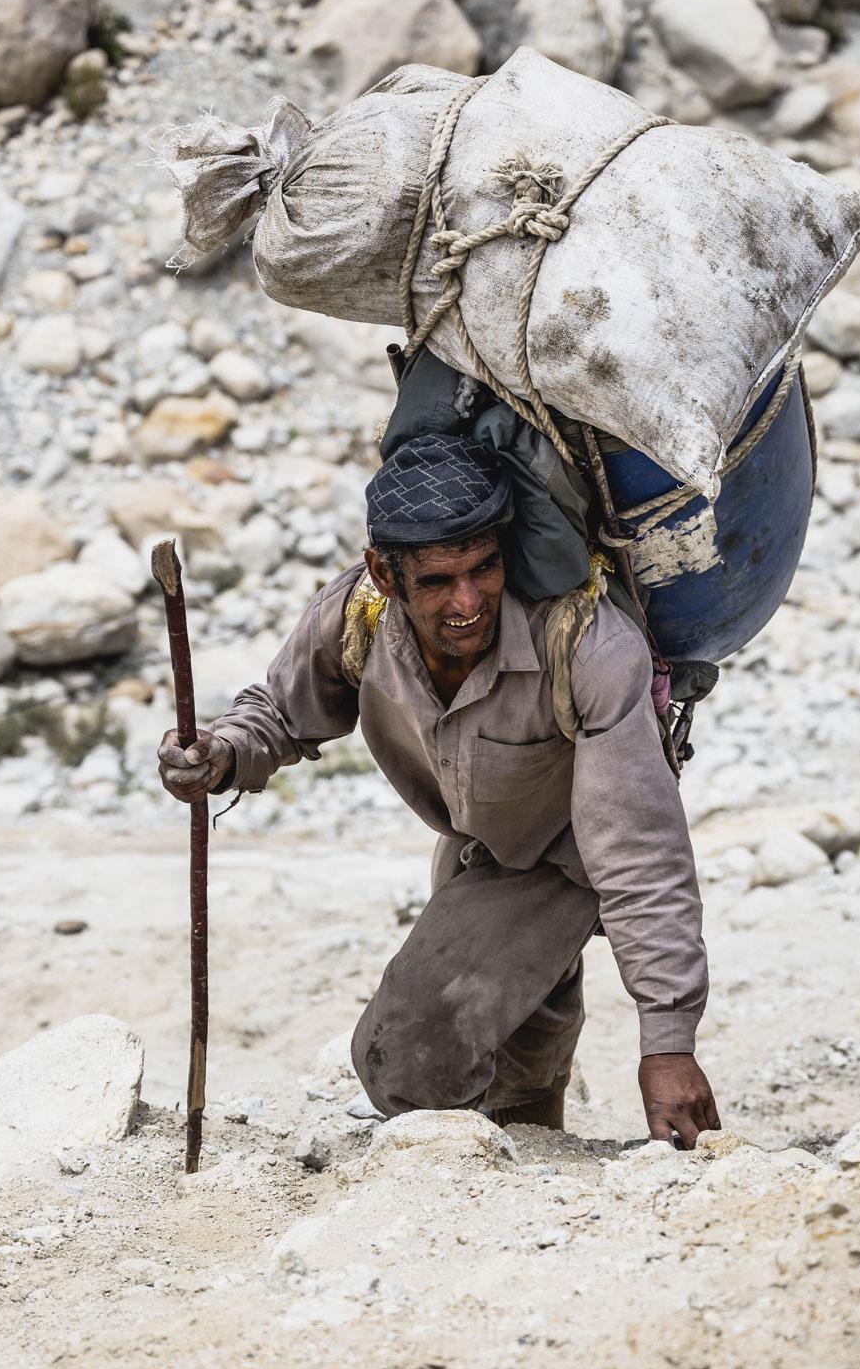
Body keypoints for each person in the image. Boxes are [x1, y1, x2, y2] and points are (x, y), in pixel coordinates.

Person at [158, 432, 719, 1145]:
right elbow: (279, 710)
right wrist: (222, 755)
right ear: (384, 575)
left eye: (485, 569)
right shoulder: (357, 616)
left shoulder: (587, 646)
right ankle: (529, 1161)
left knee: (407, 1061)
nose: (467, 602)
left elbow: (641, 850)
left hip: (570, 852)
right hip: (477, 840)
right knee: (515, 1017)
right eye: (436, 582)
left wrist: (667, 1045)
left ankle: (490, 1164)